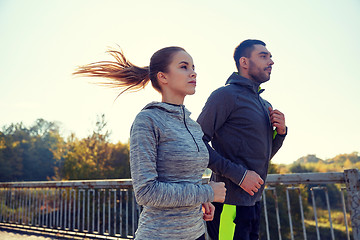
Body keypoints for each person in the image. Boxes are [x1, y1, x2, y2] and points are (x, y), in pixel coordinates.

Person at [73, 46, 227, 240]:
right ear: (163, 77)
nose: (193, 72)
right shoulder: (147, 121)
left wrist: (202, 201)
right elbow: (146, 192)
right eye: (184, 67)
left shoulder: (193, 126)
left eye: (193, 67)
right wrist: (205, 192)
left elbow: (187, 178)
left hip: (196, 233)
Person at [197, 39, 287, 240]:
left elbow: (262, 157)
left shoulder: (265, 105)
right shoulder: (224, 95)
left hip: (253, 204)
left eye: (270, 56)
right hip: (228, 203)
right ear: (244, 62)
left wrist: (280, 134)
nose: (271, 61)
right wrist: (239, 175)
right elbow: (196, 143)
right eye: (263, 56)